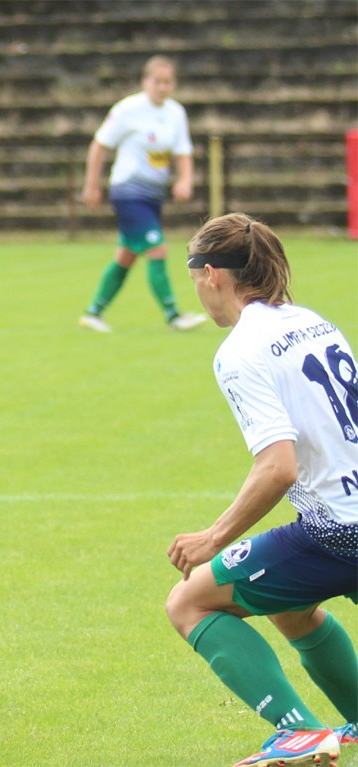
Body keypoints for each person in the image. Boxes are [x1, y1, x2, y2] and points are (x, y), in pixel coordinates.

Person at [165, 213, 357, 766]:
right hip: (344, 515)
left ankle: (301, 732)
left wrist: (212, 537)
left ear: (211, 274)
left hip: (340, 530)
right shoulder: (312, 322)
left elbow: (278, 468)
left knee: (189, 601)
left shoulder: (240, 351)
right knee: (290, 607)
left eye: (194, 278)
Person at [79, 55, 206, 333]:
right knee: (156, 248)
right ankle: (173, 315)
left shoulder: (175, 112)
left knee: (126, 256)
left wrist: (185, 180)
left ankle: (93, 312)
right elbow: (99, 145)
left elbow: (182, 151)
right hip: (128, 192)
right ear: (145, 81)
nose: (162, 87)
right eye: (157, 81)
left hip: (153, 196)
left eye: (167, 82)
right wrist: (92, 185)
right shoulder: (128, 110)